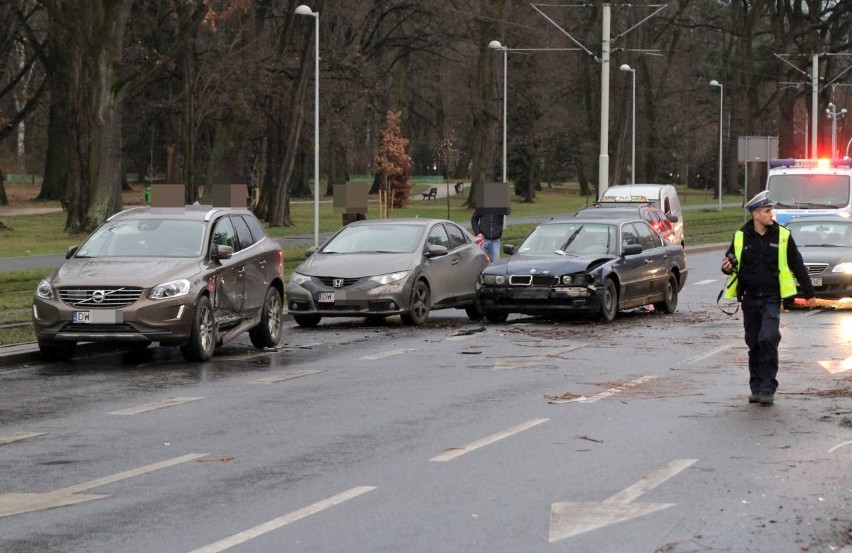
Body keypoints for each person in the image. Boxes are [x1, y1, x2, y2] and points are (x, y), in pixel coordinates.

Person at [720, 190, 816, 406]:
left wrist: (809, 294)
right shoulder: (740, 236)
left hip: (772, 298)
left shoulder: (782, 235)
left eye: (770, 209)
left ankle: (768, 388)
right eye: (767, 210)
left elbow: (797, 264)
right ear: (755, 214)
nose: (771, 214)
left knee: (768, 338)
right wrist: (726, 267)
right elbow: (730, 263)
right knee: (753, 343)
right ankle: (756, 387)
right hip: (750, 299)